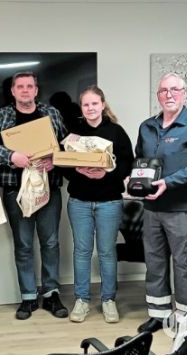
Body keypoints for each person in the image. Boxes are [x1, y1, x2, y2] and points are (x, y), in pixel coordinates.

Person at [0, 71, 69, 320]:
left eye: (29, 86)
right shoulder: (2, 116)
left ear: (36, 90)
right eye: (19, 86)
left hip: (48, 189)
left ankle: (51, 294)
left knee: (50, 243)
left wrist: (57, 159)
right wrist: (11, 157)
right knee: (23, 245)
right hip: (15, 189)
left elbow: (66, 143)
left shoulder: (51, 113)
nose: (25, 90)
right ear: (12, 91)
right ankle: (29, 297)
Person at [133, 73, 187, 333]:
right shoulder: (147, 126)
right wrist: (133, 179)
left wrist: (168, 182)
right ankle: (159, 315)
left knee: (186, 265)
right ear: (158, 95)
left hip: (183, 210)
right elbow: (139, 162)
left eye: (175, 90)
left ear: (185, 93)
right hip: (152, 210)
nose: (169, 94)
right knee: (154, 264)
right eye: (164, 90)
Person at [63, 85, 134, 323]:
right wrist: (77, 170)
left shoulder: (116, 132)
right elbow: (64, 164)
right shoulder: (74, 132)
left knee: (106, 252)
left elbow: (127, 164)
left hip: (109, 201)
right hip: (79, 201)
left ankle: (108, 300)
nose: (91, 108)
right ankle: (81, 300)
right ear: (81, 108)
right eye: (86, 104)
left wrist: (106, 175)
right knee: (82, 252)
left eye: (95, 103)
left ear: (103, 105)